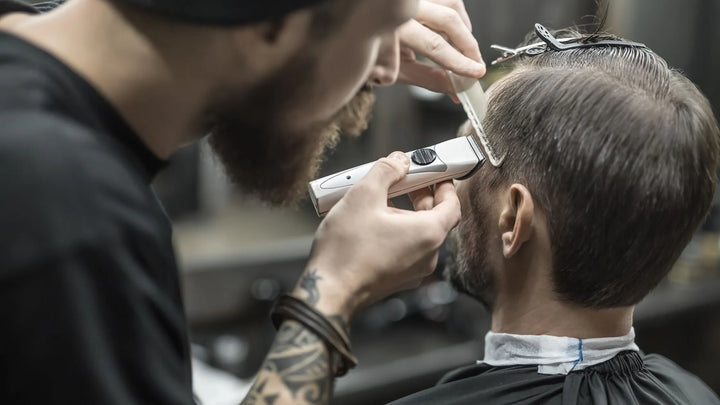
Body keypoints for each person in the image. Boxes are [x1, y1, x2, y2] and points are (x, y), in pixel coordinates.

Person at [0, 0, 483, 403]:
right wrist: (335, 292)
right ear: (272, 26)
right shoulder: (71, 222)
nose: (387, 69)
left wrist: (348, 29)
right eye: (378, 36)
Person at [389, 26, 720, 404]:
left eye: (467, 160)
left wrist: (332, 290)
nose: (448, 182)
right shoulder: (698, 394)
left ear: (514, 219)